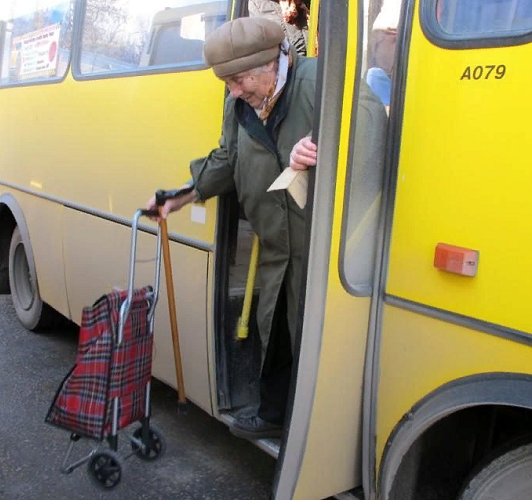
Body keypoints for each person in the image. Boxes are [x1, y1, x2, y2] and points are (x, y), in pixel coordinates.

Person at [145, 17, 386, 440]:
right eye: (228, 83)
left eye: (238, 80)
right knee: (275, 330)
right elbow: (229, 156)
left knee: (318, 341)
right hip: (278, 248)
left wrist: (326, 153)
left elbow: (373, 151)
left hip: (325, 252)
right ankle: (276, 414)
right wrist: (182, 195)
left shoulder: (323, 83)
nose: (234, 91)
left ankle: (322, 437)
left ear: (272, 63)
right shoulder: (239, 102)